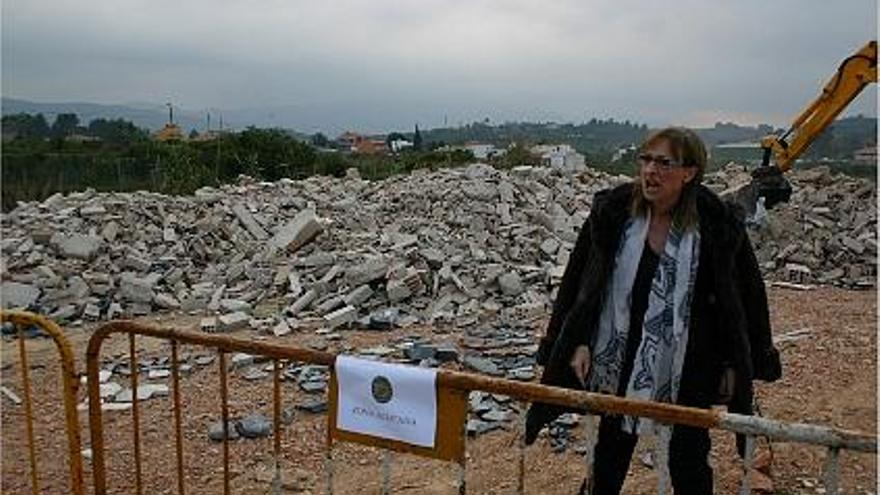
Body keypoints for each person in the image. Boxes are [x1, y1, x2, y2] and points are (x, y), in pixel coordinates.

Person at [524, 127, 782, 494]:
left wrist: (732, 363)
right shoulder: (613, 215)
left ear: (689, 172)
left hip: (689, 361)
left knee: (689, 458)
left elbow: (743, 301)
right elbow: (580, 286)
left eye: (664, 163)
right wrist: (579, 342)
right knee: (610, 453)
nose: (650, 171)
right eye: (645, 160)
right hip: (621, 356)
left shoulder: (717, 225)